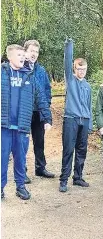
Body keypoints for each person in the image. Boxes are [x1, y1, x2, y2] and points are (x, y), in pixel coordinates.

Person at [1, 44, 52, 200]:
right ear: (9, 57)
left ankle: (20, 187)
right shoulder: (2, 74)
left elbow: (41, 98)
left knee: (21, 158)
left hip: (22, 126)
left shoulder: (29, 76)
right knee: (2, 159)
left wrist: (47, 118)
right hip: (4, 126)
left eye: (23, 55)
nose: (23, 58)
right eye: (19, 55)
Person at [59, 39, 92, 193]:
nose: (81, 72)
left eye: (84, 69)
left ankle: (77, 177)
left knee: (81, 150)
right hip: (70, 119)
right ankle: (64, 179)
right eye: (79, 69)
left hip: (84, 121)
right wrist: (68, 46)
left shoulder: (87, 85)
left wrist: (90, 124)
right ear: (74, 69)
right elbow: (67, 61)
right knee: (68, 150)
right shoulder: (70, 80)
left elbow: (89, 105)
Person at [23, 40, 54, 183]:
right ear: (25, 52)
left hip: (38, 112)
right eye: (31, 51)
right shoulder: (20, 68)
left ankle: (40, 168)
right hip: (24, 111)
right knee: (22, 142)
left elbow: (47, 89)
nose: (34, 54)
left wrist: (46, 106)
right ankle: (21, 171)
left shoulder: (41, 70)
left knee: (39, 141)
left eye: (36, 52)